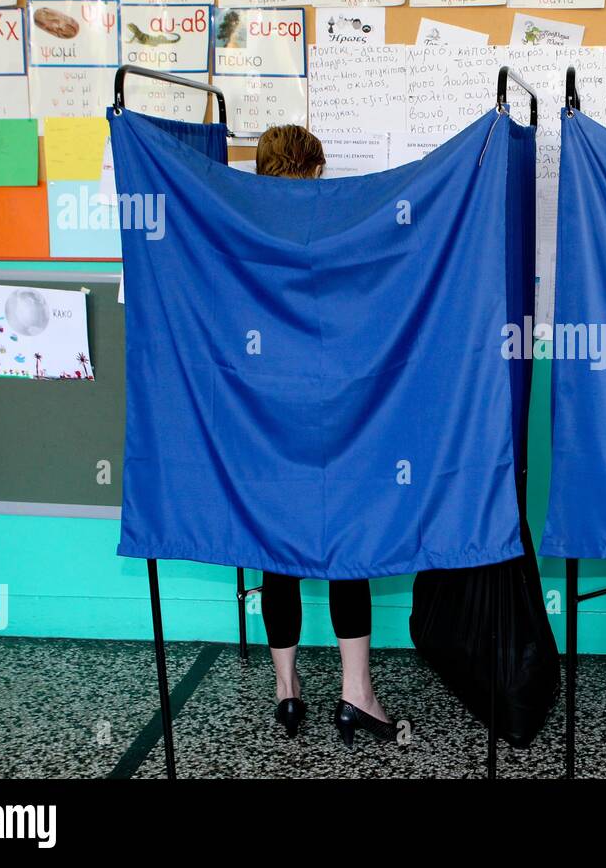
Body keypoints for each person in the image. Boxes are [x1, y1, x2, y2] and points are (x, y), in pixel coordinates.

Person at [253, 125, 397, 746]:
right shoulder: (335, 227)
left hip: (259, 415)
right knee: (347, 547)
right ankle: (355, 695)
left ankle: (288, 694)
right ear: (314, 171)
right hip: (333, 412)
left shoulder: (237, 228)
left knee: (274, 556)